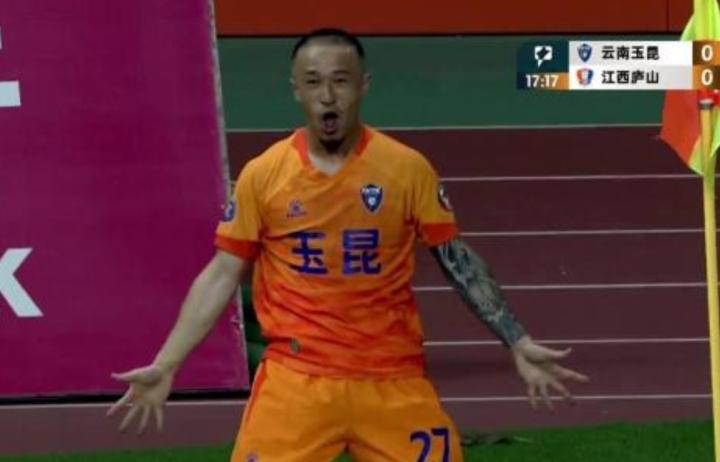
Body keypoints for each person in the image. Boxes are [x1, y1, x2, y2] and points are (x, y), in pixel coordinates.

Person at [107, 28, 589, 462]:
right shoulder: (264, 175)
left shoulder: (406, 169)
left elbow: (456, 259)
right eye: (313, 82)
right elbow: (222, 272)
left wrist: (516, 339)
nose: (327, 96)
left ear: (363, 85)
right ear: (296, 90)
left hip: (392, 378)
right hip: (297, 380)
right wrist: (167, 364)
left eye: (340, 81)